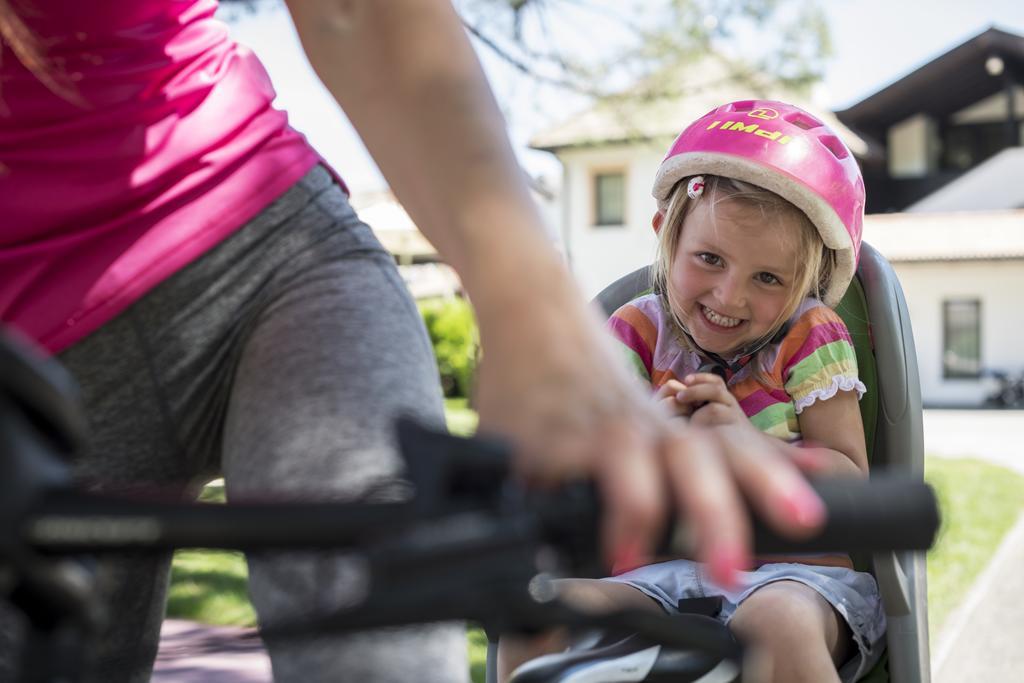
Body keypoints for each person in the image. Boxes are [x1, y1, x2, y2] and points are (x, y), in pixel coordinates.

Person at [0, 1, 828, 680]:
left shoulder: (803, 342)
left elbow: (364, 14)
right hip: (22, 340)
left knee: (387, 651)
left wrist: (529, 308)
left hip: (258, 244)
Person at [498, 100, 885, 683]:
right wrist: (645, 438)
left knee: (777, 623)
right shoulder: (635, 333)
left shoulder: (810, 335)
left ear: (805, 282)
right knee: (538, 616)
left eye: (768, 278)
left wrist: (749, 446)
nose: (729, 297)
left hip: (796, 581)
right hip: (657, 579)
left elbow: (850, 480)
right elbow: (584, 475)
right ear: (666, 235)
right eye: (709, 259)